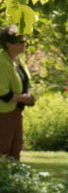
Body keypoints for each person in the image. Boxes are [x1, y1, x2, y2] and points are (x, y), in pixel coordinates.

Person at [0, 25, 36, 160]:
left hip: (16, 111)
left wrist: (28, 95)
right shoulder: (1, 62)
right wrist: (23, 98)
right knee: (3, 149)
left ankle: (14, 179)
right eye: (21, 42)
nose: (24, 44)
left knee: (16, 148)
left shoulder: (18, 60)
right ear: (9, 44)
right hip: (4, 113)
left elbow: (24, 83)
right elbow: (3, 93)